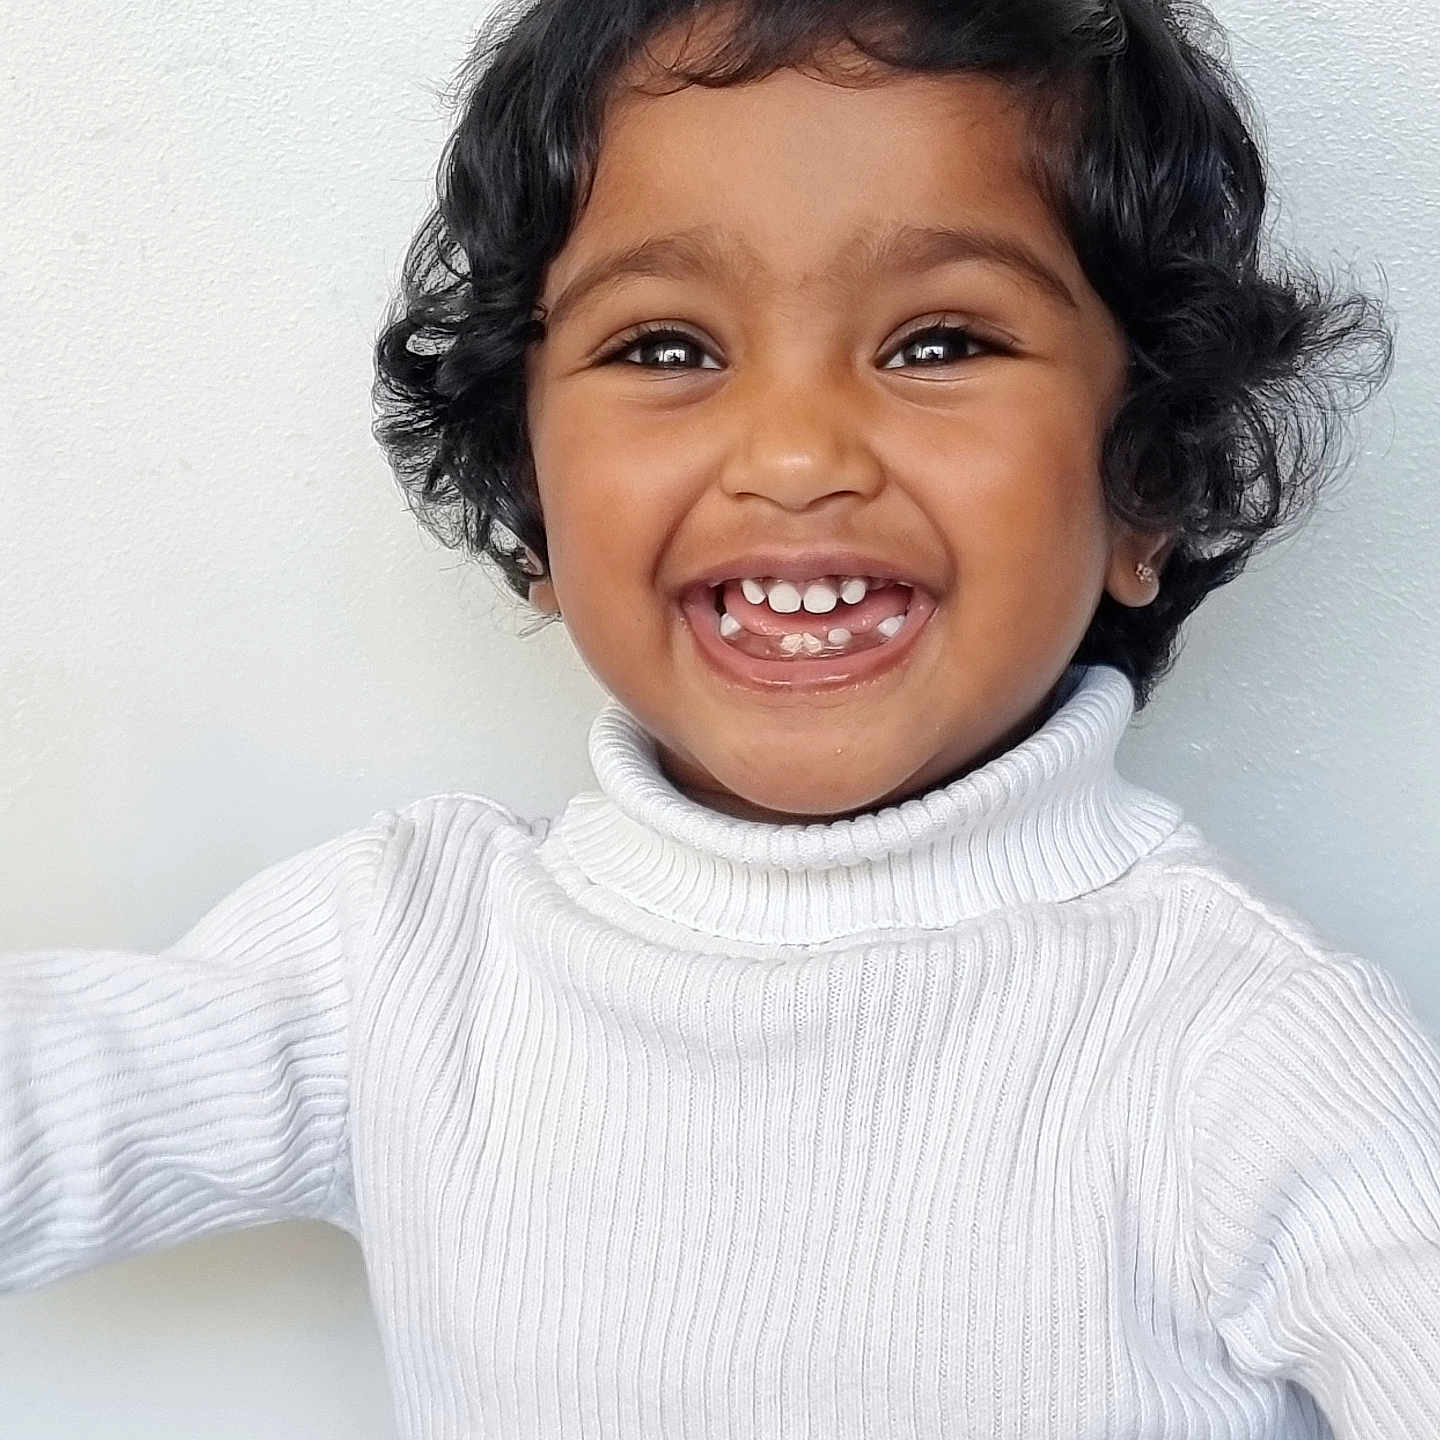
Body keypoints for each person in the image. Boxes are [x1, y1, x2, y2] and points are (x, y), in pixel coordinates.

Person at [3, 0, 1431, 1436]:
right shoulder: (403, 960)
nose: (797, 454)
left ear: (1146, 489)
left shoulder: (1247, 1048)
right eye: (670, 349)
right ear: (535, 506)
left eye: (938, 344)